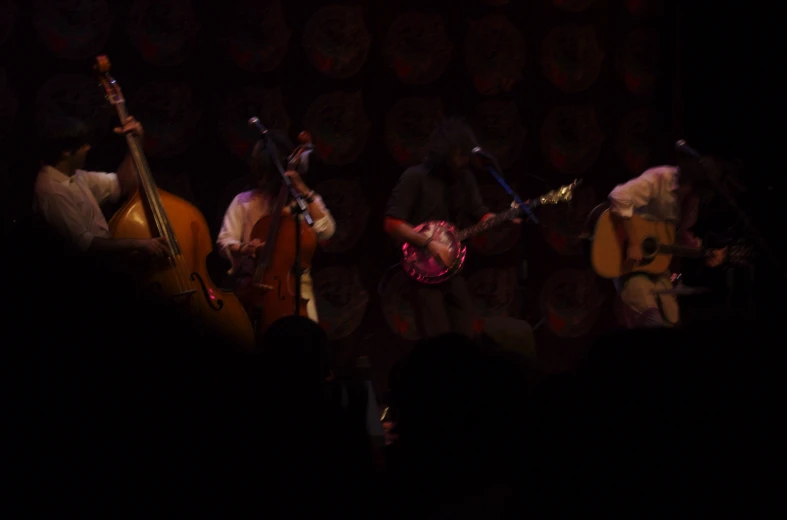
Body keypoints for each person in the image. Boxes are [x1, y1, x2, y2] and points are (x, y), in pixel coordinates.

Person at [384, 117, 518, 338]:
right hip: (422, 271)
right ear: (444, 153)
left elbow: (481, 214)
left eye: (466, 155)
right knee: (437, 338)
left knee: (467, 333)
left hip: (452, 269)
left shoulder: (464, 178)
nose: (464, 160)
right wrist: (429, 243)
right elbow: (392, 223)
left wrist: (500, 219)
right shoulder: (415, 177)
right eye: (459, 154)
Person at [216, 134, 336, 324]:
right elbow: (224, 241)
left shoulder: (302, 202)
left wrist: (304, 191)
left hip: (295, 291)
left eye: (270, 175)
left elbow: (327, 230)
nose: (265, 181)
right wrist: (244, 248)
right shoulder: (243, 202)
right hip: (252, 287)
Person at [608, 159, 727, 328]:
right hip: (629, 262)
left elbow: (676, 235)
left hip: (658, 267)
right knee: (651, 320)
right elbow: (618, 196)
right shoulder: (660, 178)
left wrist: (703, 252)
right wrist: (634, 242)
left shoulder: (692, 201)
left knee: (671, 319)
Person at [32, 116, 169, 257]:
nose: (88, 148)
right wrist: (138, 244)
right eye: (83, 144)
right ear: (66, 152)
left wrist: (134, 144)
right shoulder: (54, 192)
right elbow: (88, 245)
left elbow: (121, 184)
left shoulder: (74, 175)